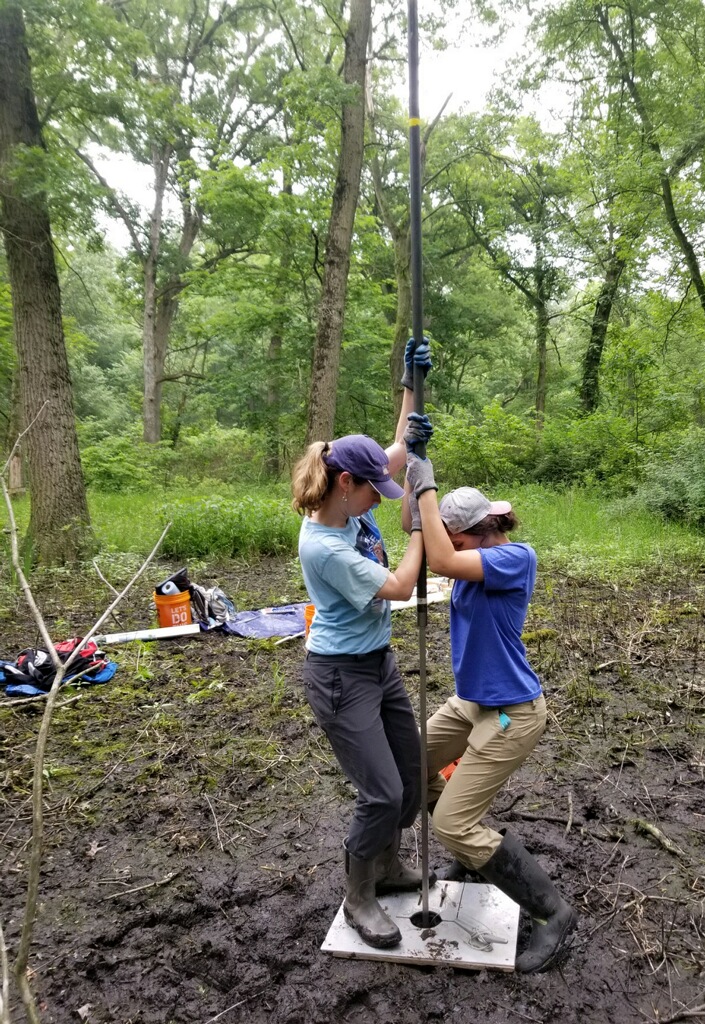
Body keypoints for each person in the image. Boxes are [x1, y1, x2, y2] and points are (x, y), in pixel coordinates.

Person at [404, 450, 578, 973]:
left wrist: (428, 483)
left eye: (454, 540)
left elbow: (440, 559)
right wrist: (414, 478)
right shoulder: (472, 554)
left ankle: (554, 915)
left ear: (478, 532)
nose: (449, 549)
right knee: (408, 764)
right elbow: (427, 541)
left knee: (453, 824)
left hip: (511, 714)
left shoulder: (514, 557)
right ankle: (475, 851)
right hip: (470, 704)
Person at [290, 340, 435, 951]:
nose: (384, 493)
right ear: (344, 485)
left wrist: (411, 381)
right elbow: (401, 587)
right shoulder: (325, 546)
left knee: (411, 775)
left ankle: (389, 865)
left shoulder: (350, 494)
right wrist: (425, 523)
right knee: (381, 791)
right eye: (375, 488)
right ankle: (358, 896)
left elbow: (396, 450)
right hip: (339, 677)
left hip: (379, 664)